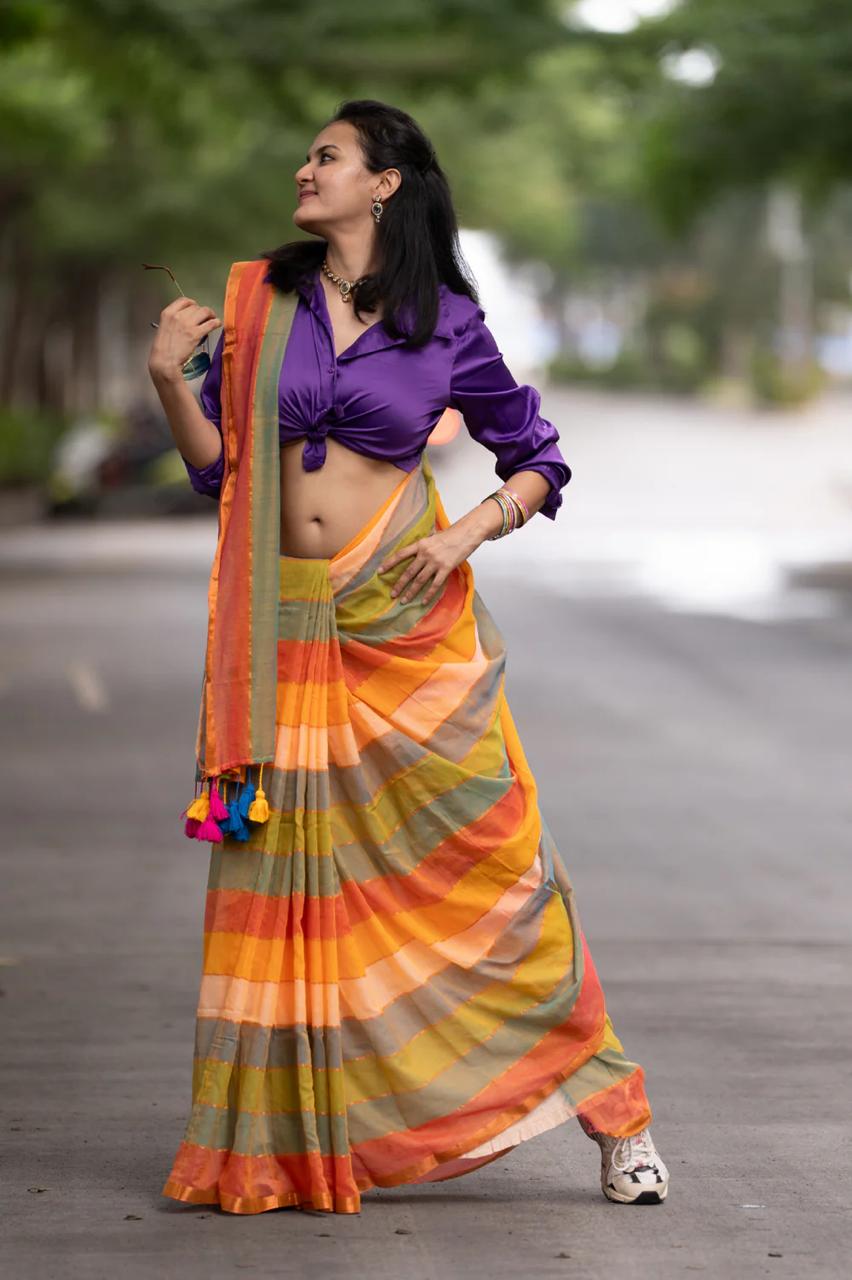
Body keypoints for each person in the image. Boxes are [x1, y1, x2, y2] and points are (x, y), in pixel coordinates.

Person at [147, 98, 669, 1216]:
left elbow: (536, 459)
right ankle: (290, 1138)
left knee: (489, 876)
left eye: (326, 156)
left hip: (406, 630)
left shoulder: (447, 322)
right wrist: (165, 381)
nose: (304, 169)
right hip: (283, 629)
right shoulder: (261, 299)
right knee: (294, 893)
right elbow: (221, 471)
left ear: (385, 182)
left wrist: (466, 531)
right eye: (308, 155)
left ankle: (616, 1110)